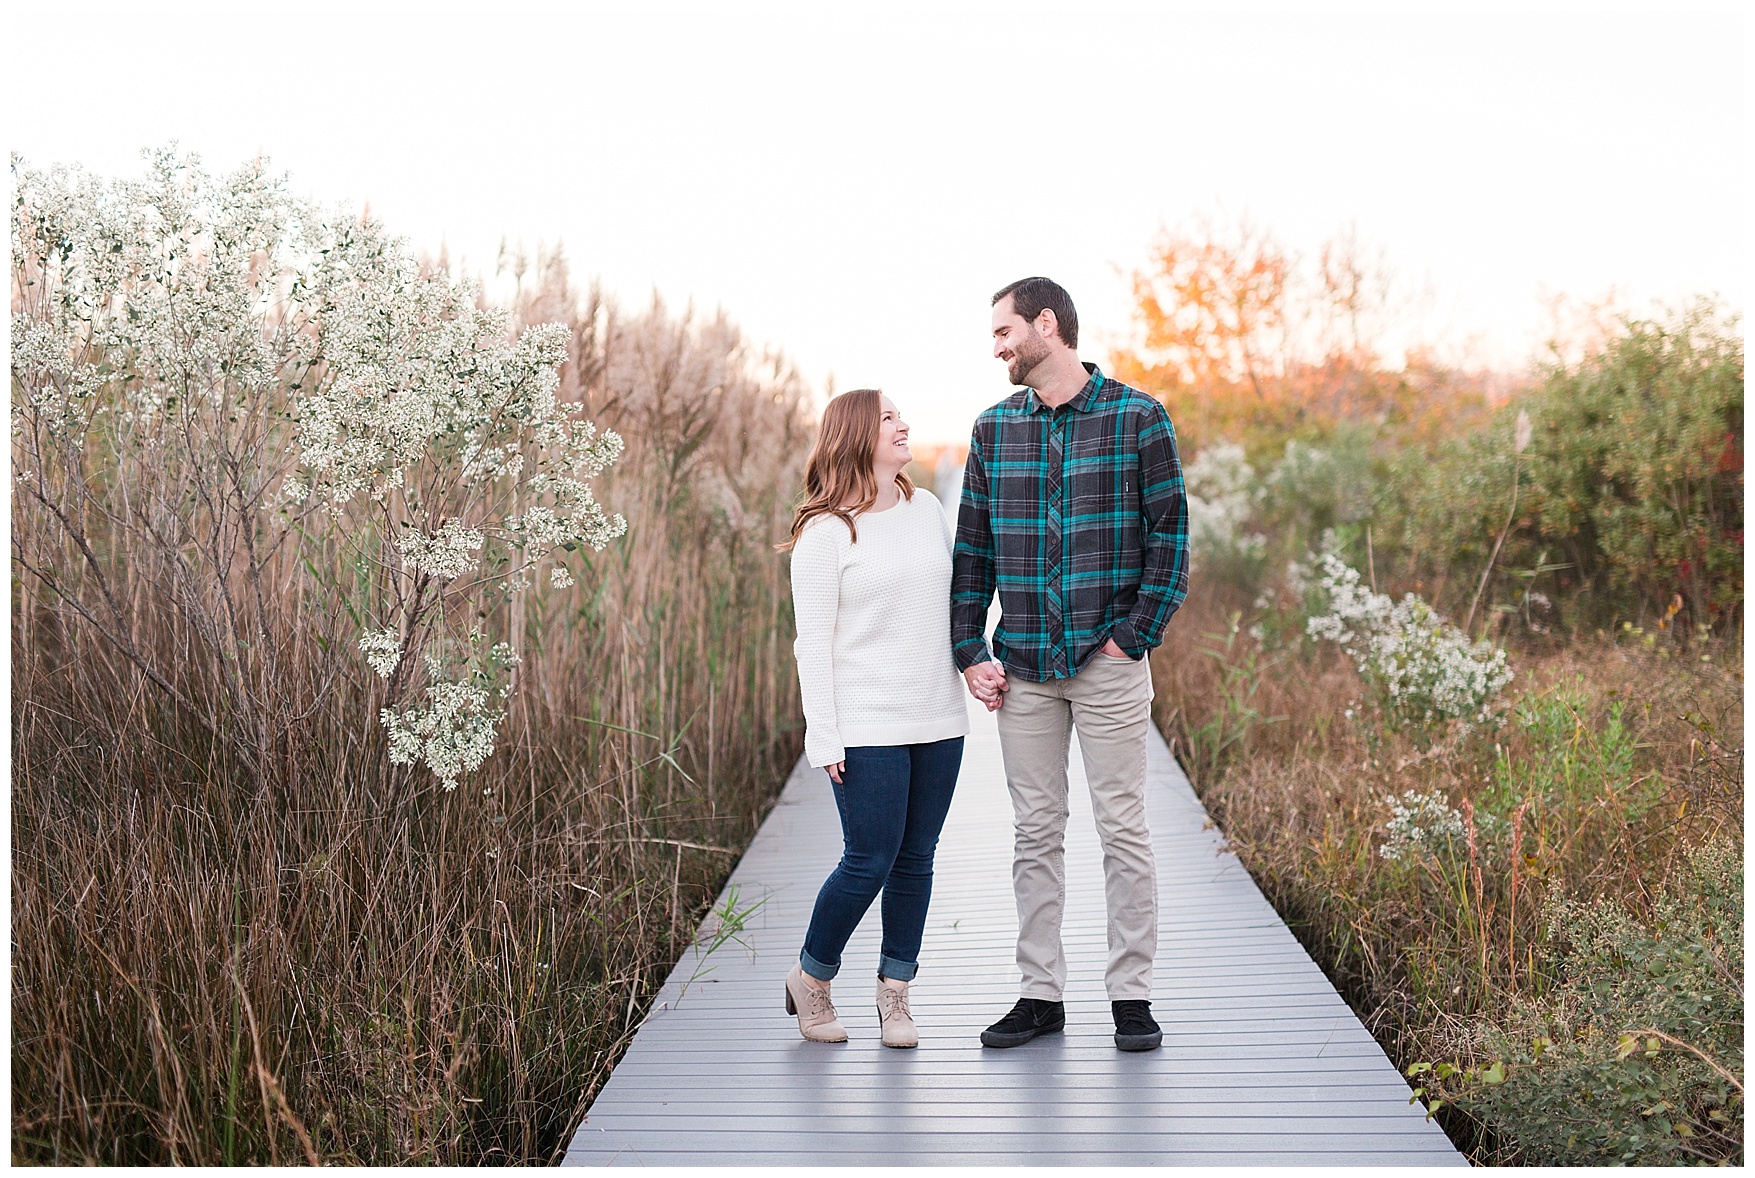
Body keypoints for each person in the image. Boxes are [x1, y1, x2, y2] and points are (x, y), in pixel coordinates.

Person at [952, 277, 1189, 1052]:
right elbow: (972, 554)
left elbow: (1170, 543)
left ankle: (1131, 997)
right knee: (1034, 834)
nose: (995, 348)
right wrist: (969, 650)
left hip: (1107, 661)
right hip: (1022, 668)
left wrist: (1132, 637)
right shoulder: (993, 432)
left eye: (1002, 331)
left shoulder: (1137, 418)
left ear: (1046, 325)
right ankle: (1039, 995)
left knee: (1122, 829)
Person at [781, 389, 970, 1047]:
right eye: (889, 417)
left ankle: (895, 994)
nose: (903, 425)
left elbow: (950, 607)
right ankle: (812, 977)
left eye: (900, 415)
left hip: (939, 717)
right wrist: (822, 730)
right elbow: (811, 642)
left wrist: (979, 664)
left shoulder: (927, 509)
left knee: (916, 859)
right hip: (865, 723)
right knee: (868, 858)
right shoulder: (825, 533)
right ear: (855, 435)